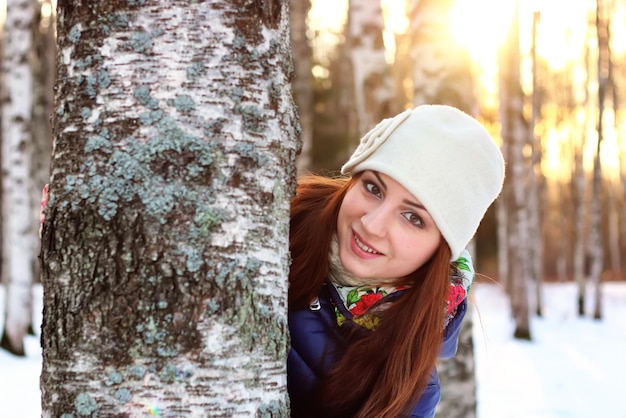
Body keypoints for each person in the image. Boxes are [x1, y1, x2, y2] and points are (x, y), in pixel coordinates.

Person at [287, 104, 505, 418]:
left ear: (440, 249)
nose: (372, 224)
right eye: (373, 187)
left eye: (413, 218)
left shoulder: (407, 392)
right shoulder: (279, 222)